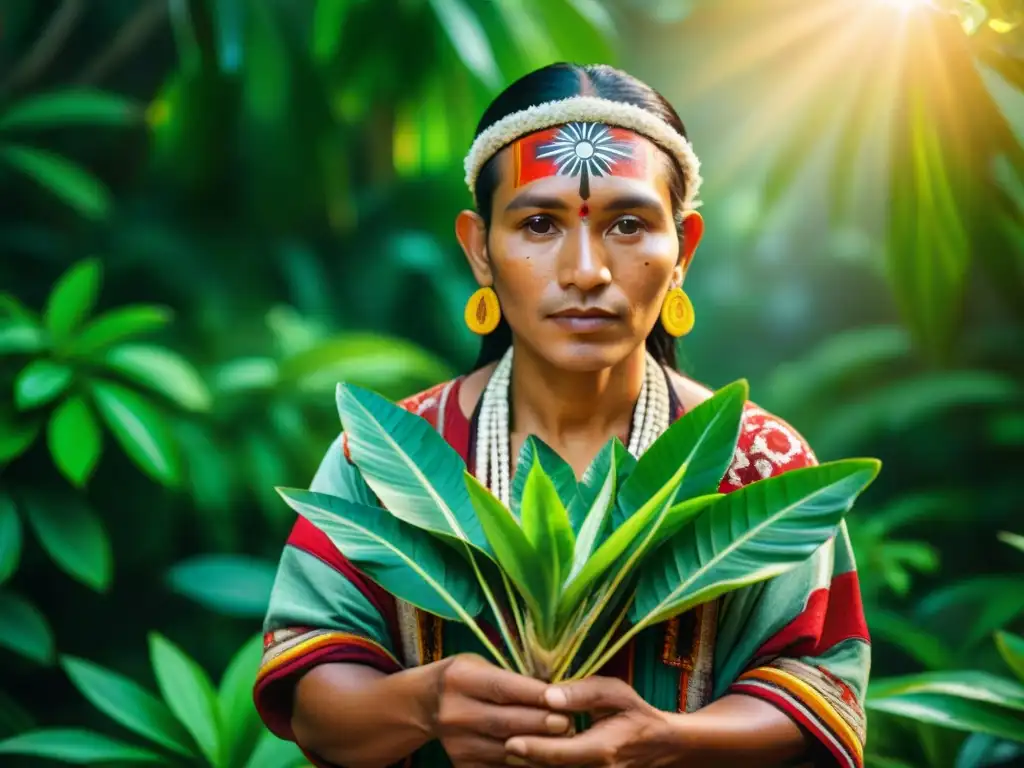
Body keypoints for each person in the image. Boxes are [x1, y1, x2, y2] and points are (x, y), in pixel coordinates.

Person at [253, 63, 869, 768]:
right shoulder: (389, 456)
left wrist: (667, 741)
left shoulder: (756, 463)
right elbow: (310, 694)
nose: (585, 270)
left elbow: (822, 686)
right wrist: (426, 701)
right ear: (480, 249)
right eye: (540, 223)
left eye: (629, 224)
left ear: (684, 250)